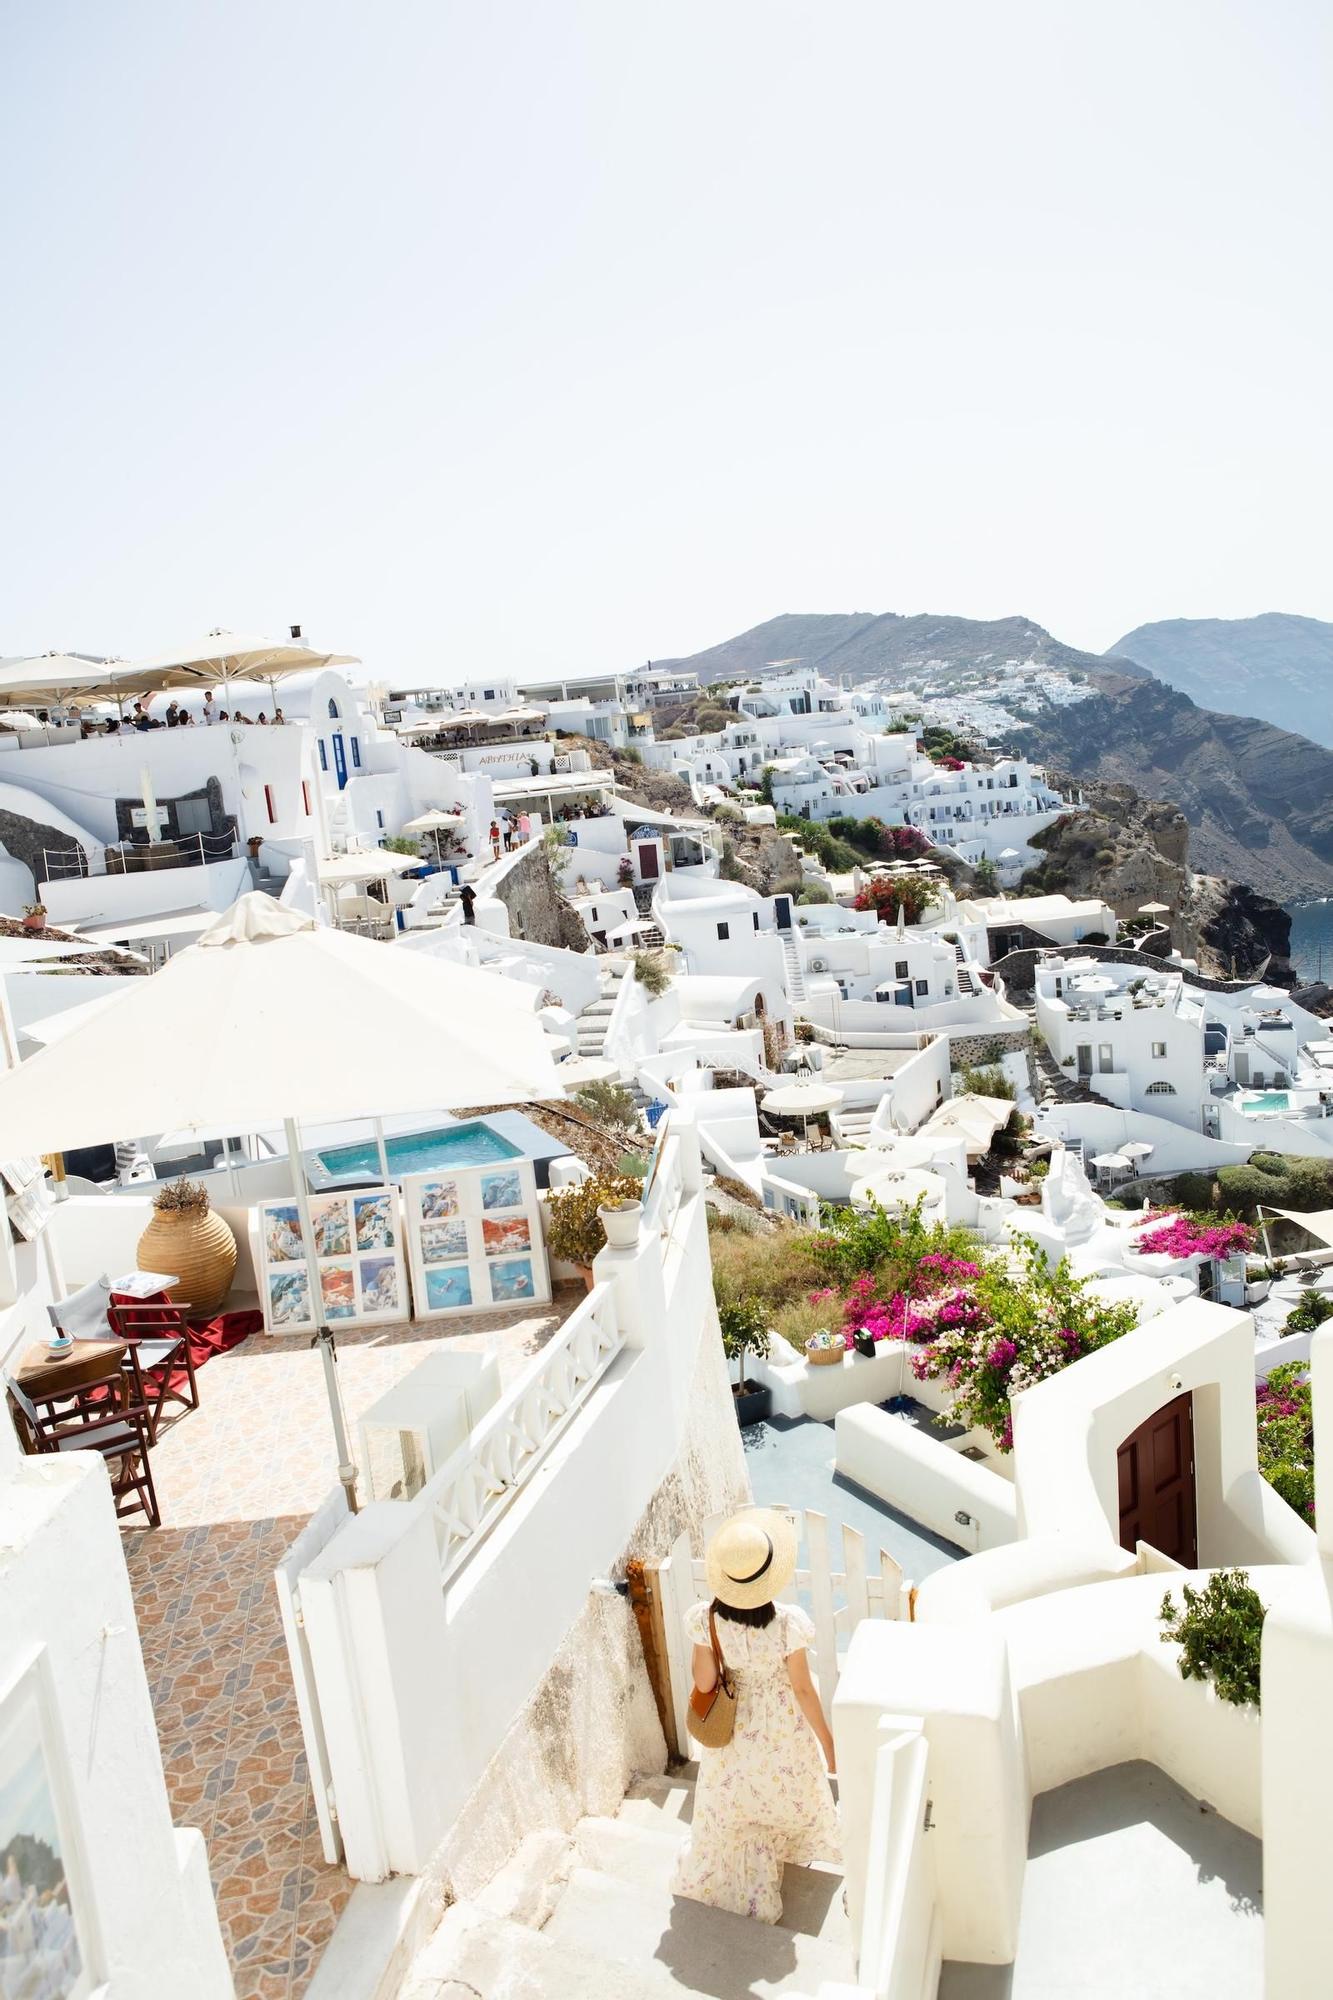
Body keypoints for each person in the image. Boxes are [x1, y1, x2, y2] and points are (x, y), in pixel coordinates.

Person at [672, 1508, 838, 1925]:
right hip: (780, 1725)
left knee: (738, 1797)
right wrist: (828, 1743)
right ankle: (779, 1848)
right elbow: (802, 1688)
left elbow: (705, 1682)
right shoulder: (787, 1625)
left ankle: (747, 1860)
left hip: (734, 1729)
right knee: (782, 1786)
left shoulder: (706, 1619)